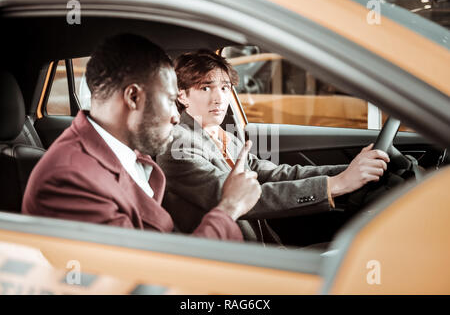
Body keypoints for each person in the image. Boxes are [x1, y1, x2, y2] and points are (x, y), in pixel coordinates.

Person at [22, 34, 262, 242]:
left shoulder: (128, 152)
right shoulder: (68, 181)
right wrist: (229, 208)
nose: (175, 116)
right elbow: (152, 275)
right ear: (134, 97)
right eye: (169, 100)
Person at [156, 50, 390, 243]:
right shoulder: (177, 148)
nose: (219, 99)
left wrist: (349, 170)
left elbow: (273, 174)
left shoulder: (223, 136)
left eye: (225, 88)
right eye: (206, 88)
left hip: (261, 245)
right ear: (183, 96)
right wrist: (336, 185)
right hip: (226, 259)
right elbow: (237, 198)